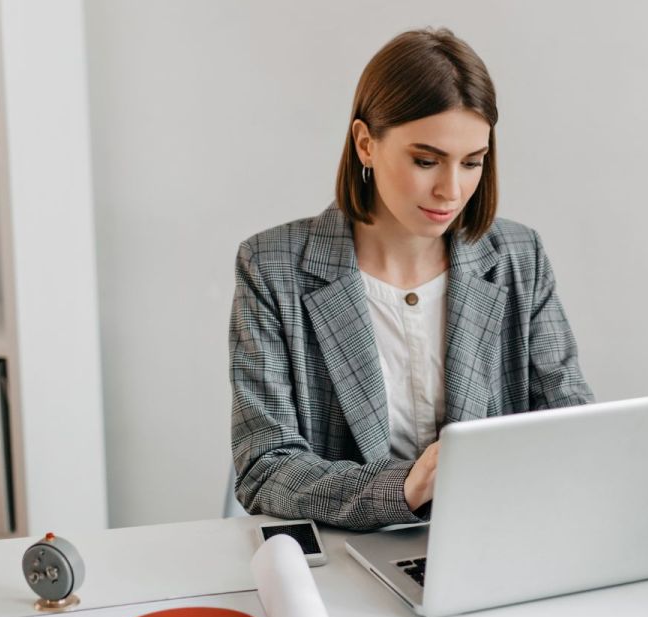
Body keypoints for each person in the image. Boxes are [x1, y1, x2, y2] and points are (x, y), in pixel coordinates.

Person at [229, 27, 592, 531]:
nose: (451, 190)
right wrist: (405, 488)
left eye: (473, 163)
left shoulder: (518, 256)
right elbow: (264, 467)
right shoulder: (271, 267)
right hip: (350, 551)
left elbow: (571, 421)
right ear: (366, 144)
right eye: (426, 161)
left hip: (495, 539)